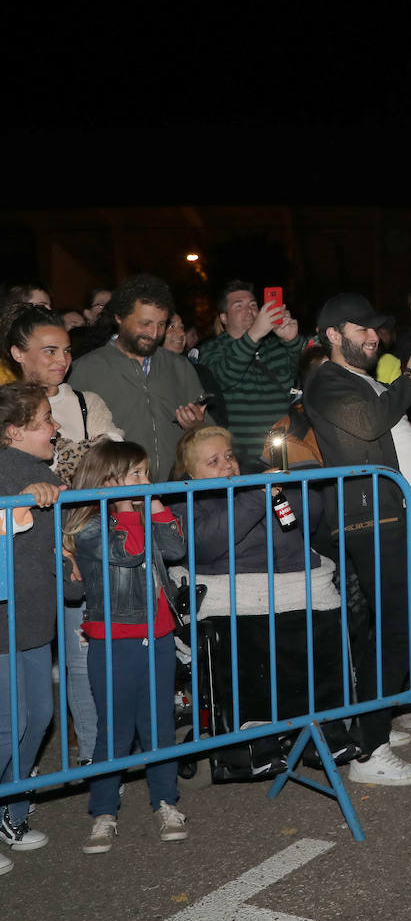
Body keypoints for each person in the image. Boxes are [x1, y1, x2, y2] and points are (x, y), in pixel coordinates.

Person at [303, 292, 411, 787]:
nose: (373, 337)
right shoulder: (327, 381)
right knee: (394, 631)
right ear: (334, 335)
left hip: (397, 514)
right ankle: (370, 750)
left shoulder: (360, 379)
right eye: (361, 329)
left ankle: (370, 724)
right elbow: (369, 423)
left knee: (389, 630)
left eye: (376, 329)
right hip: (372, 522)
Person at [171, 426, 362, 767]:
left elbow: (308, 518)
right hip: (236, 595)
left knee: (320, 632)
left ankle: (325, 725)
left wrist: (291, 484)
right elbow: (205, 543)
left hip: (294, 587)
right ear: (191, 472)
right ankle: (253, 735)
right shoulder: (187, 498)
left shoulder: (259, 484)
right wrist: (258, 495)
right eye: (213, 461)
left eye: (229, 456)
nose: (227, 465)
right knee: (247, 641)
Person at [5, 304, 123, 768]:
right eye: (48, 350)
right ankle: (19, 773)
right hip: (23, 556)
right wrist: (77, 460)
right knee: (19, 673)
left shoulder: (84, 403)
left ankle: (95, 762)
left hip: (80, 542)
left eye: (67, 350)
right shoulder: (6, 409)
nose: (61, 360)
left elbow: (117, 463)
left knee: (81, 657)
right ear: (17, 353)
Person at [64, 439, 190, 853]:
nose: (147, 480)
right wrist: (122, 506)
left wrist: (147, 502)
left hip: (157, 635)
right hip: (114, 640)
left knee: (159, 726)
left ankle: (166, 802)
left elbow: (174, 548)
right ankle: (103, 812)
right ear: (109, 479)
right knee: (114, 730)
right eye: (137, 473)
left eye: (146, 472)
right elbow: (129, 553)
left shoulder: (138, 512)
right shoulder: (88, 526)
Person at [0, 384, 64, 866]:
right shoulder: (13, 472)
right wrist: (20, 500)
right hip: (4, 619)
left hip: (34, 613)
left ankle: (11, 808)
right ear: (14, 431)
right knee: (9, 724)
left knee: (39, 715)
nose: (55, 427)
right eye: (45, 419)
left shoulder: (41, 470)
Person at [68, 274, 205, 481]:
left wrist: (196, 426)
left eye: (161, 324)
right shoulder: (86, 369)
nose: (154, 333)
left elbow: (210, 432)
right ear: (119, 317)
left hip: (177, 493)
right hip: (116, 498)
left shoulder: (179, 366)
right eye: (145, 323)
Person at [192, 280, 305, 460]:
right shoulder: (212, 349)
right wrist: (254, 334)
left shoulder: (276, 346)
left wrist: (292, 340)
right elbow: (223, 377)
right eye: (239, 306)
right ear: (223, 317)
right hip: (242, 460)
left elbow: (310, 375)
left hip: (288, 453)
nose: (249, 311)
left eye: (253, 305)